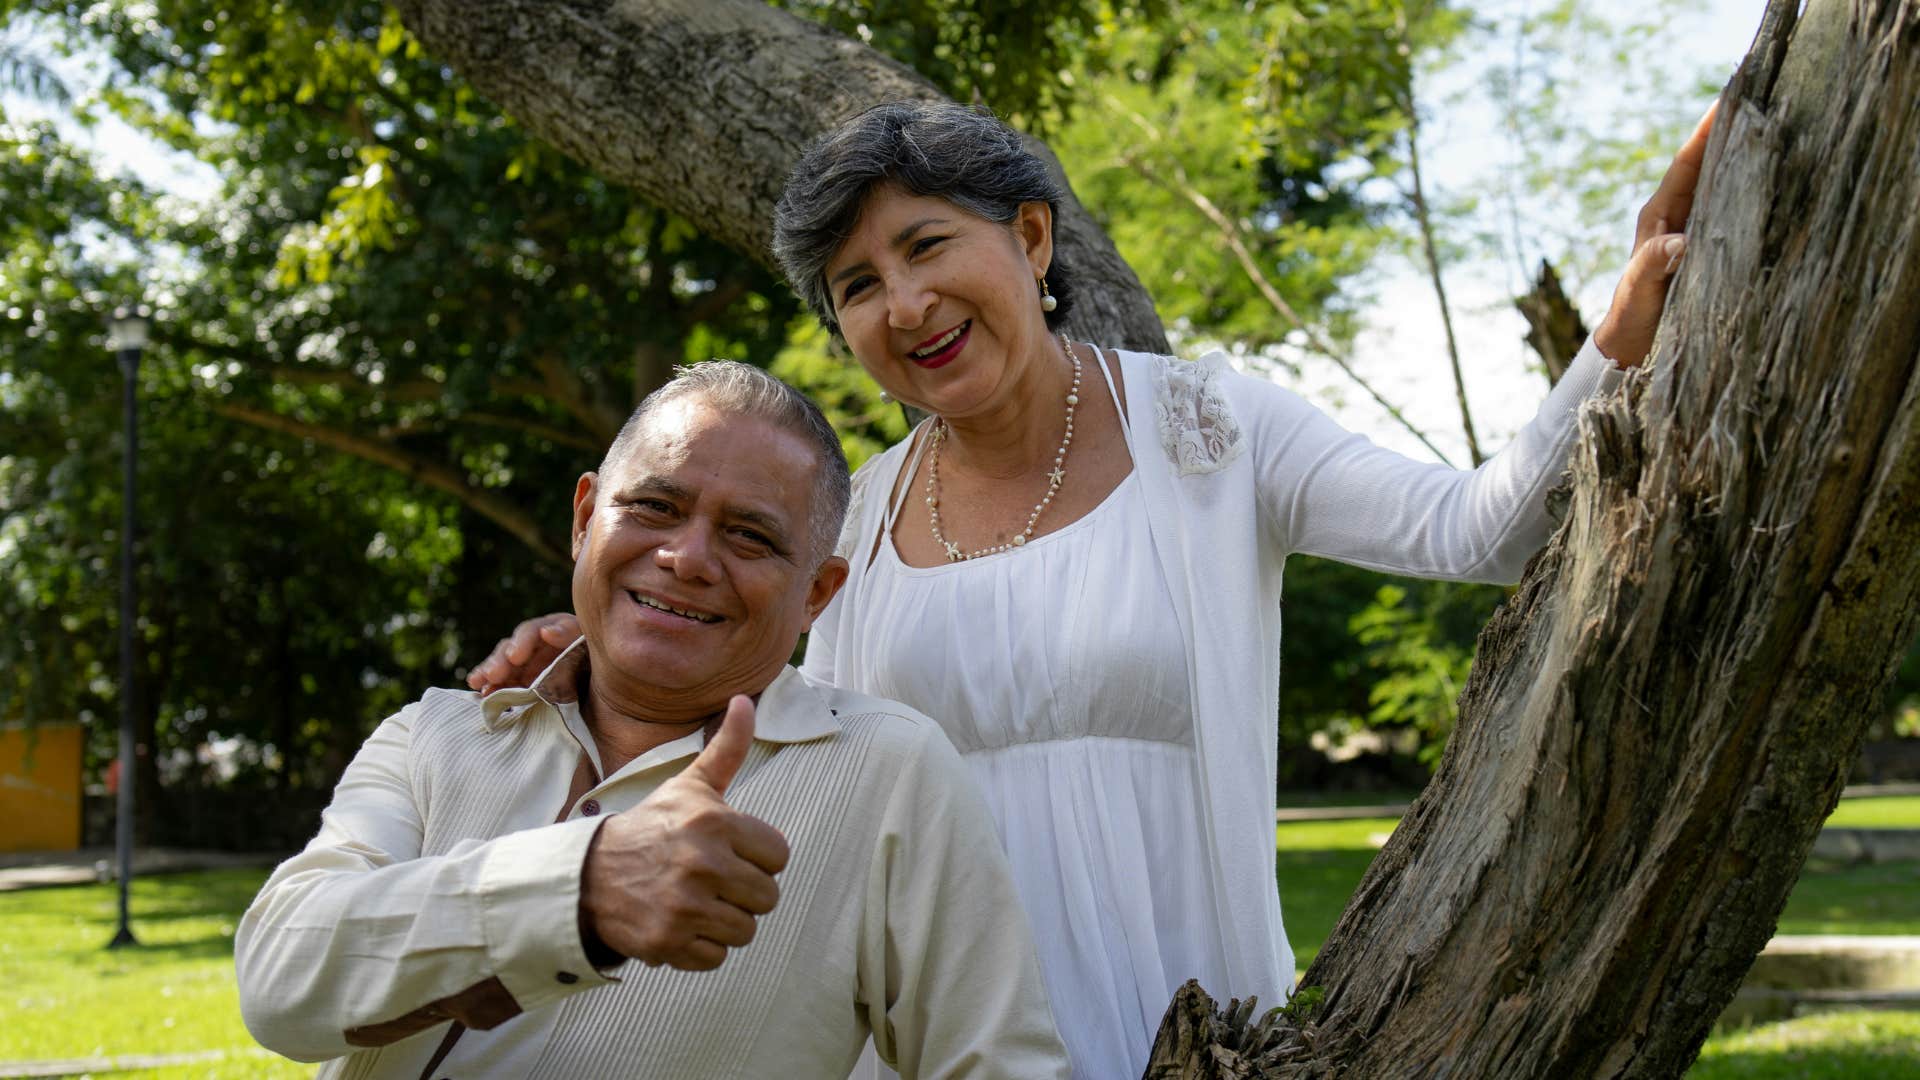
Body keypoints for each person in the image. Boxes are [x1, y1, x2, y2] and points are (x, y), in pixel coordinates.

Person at [471, 102, 1717, 1077]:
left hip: (1189, 1032)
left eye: (926, 246)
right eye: (857, 285)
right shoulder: (855, 518)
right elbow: (758, 723)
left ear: (1030, 238)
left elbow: (1480, 529)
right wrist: (597, 650)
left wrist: (1618, 337)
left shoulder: (1214, 432)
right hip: (930, 1045)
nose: (905, 304)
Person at [236, 362, 1070, 1078]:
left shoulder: (886, 771)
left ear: (817, 594)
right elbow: (279, 981)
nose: (686, 558)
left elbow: (996, 1063)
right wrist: (579, 889)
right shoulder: (436, 735)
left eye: (750, 537)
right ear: (583, 520)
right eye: (656, 507)